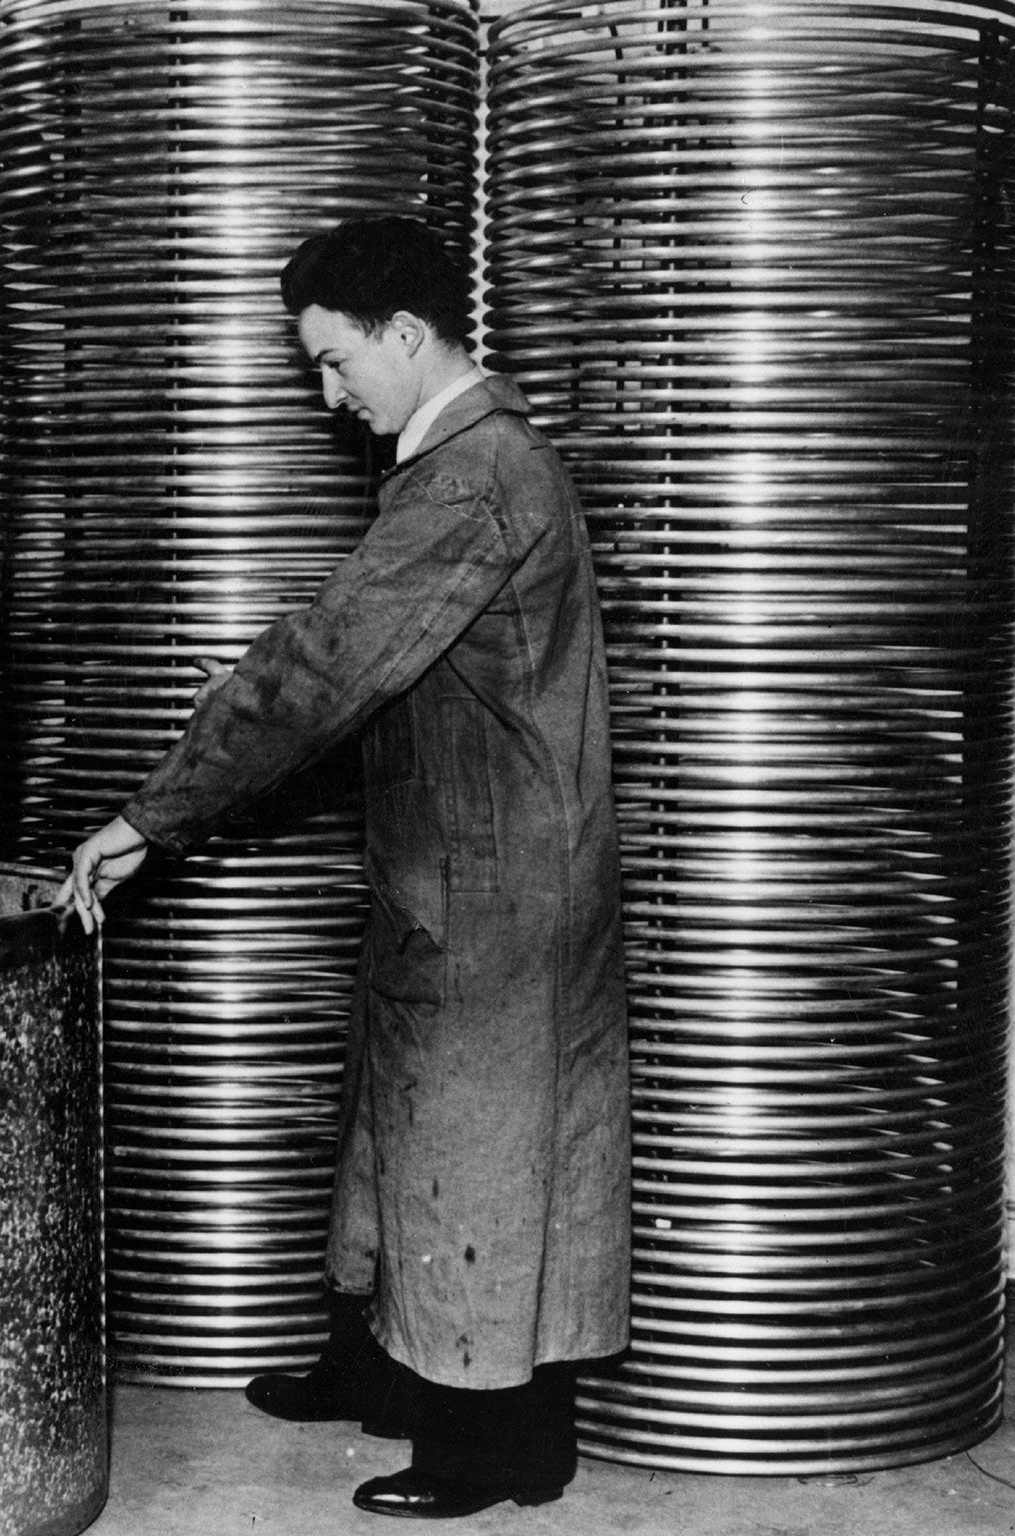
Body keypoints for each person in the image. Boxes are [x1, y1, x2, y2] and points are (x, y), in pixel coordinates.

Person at [59, 215, 629, 1520]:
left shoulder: (473, 482)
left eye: (332, 364)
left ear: (407, 338)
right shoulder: (465, 462)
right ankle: (383, 1369)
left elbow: (317, 673)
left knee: (479, 1154)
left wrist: (148, 816)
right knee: (403, 1136)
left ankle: (500, 1451)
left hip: (495, 892)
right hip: (454, 866)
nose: (327, 396)